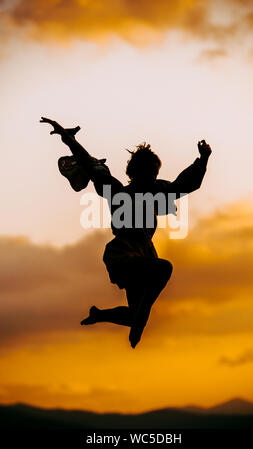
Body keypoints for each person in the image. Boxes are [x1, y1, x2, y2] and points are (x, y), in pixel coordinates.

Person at [40, 117, 212, 348]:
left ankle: (100, 315)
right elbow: (91, 166)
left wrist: (202, 160)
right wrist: (68, 138)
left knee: (134, 314)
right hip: (123, 254)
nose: (151, 179)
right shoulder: (118, 191)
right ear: (134, 174)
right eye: (146, 174)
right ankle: (140, 319)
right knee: (164, 269)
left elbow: (184, 183)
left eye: (153, 174)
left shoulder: (156, 192)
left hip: (143, 254)